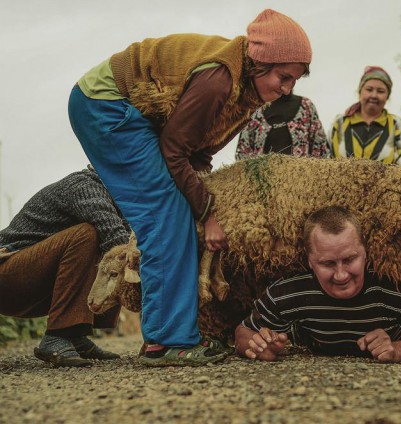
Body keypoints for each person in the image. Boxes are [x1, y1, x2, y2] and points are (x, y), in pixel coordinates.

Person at [67, 9, 313, 366]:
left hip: (125, 110)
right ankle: (166, 343)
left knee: (175, 211)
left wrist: (201, 196)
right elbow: (174, 150)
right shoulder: (218, 81)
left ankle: (172, 336)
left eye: (295, 80)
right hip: (104, 105)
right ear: (260, 61)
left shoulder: (246, 93)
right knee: (165, 215)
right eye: (283, 76)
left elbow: (197, 152)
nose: (287, 89)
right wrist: (209, 213)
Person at [234, 205, 401, 362]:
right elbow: (243, 333)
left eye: (350, 260)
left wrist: (399, 349)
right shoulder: (288, 291)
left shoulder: (398, 285)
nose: (341, 275)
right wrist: (259, 346)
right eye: (328, 263)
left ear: (365, 252)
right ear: (310, 261)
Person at [0, 168, 128, 367]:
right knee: (92, 236)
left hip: (33, 283)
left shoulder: (118, 201)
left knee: (112, 251)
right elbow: (118, 242)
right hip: (7, 276)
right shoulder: (84, 185)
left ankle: (75, 333)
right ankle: (57, 335)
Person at [330, 66, 401, 165]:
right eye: (369, 89)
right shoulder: (340, 123)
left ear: (387, 96)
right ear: (360, 92)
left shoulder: (396, 126)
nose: (374, 95)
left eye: (380, 91)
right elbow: (326, 159)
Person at [235, 92, 329, 159]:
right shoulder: (256, 111)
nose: (287, 84)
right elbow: (243, 153)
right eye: (283, 76)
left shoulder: (306, 106)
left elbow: (321, 149)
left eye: (292, 78)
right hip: (265, 183)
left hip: (302, 183)